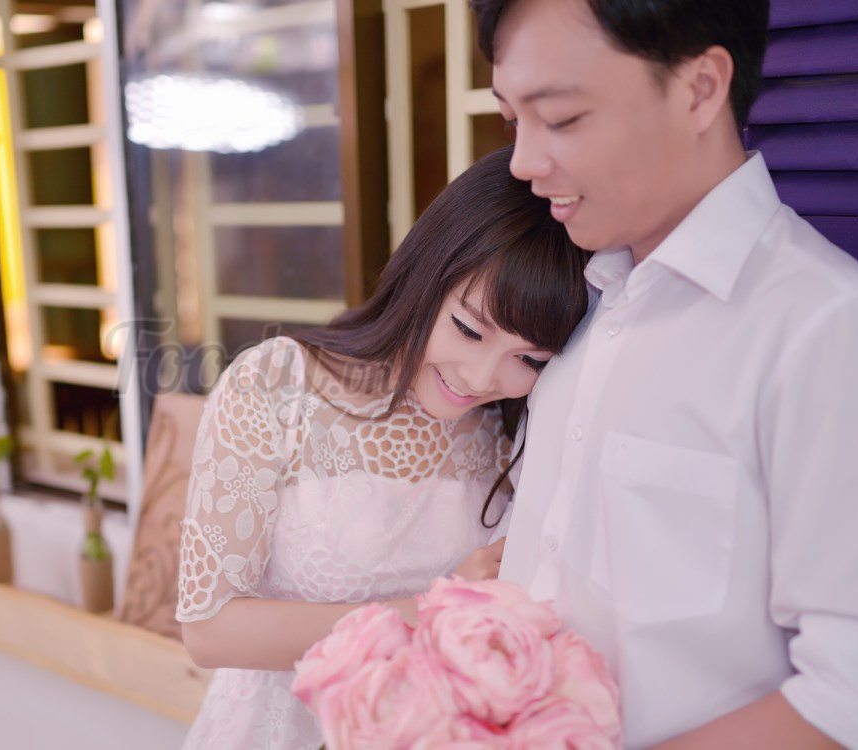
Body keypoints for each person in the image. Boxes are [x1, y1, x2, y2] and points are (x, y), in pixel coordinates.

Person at [474, 0, 858, 747]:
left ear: (700, 88)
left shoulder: (834, 330)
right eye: (511, 119)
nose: (522, 162)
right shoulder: (578, 303)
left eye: (562, 118)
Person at [175, 145, 589, 749]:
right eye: (468, 329)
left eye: (528, 359)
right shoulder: (275, 385)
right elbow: (209, 631)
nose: (480, 377)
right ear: (427, 275)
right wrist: (428, 611)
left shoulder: (510, 430)